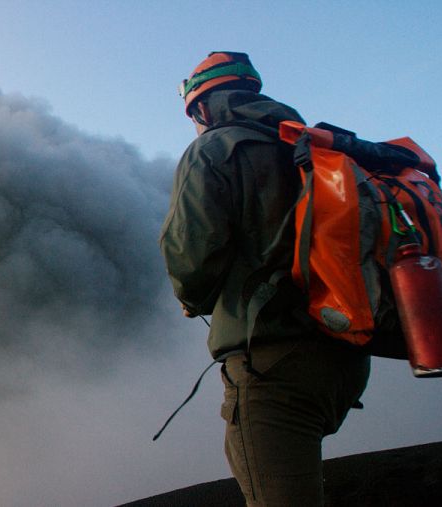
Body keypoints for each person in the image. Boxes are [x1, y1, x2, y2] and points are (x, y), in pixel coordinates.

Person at [159, 51, 371, 506]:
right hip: (344, 360)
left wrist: (191, 299)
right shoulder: (313, 148)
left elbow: (191, 258)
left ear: (201, 108)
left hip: (274, 363)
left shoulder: (213, 149)